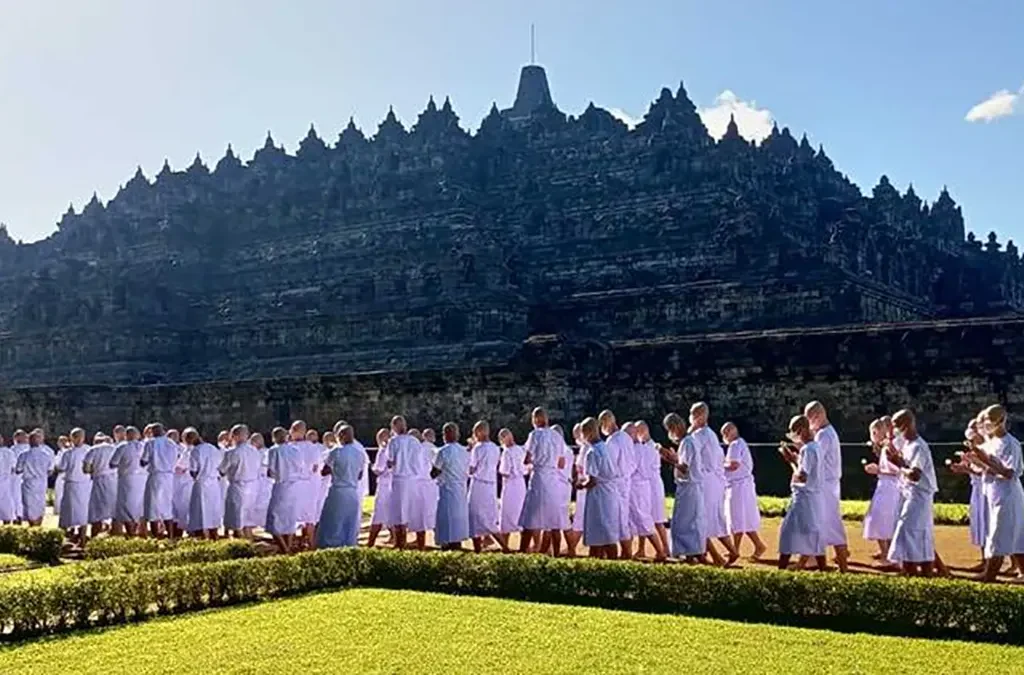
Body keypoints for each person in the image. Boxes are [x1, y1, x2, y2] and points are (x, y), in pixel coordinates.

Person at [967, 404, 1024, 582]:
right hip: (993, 493)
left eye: (990, 421)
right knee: (1014, 535)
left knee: (999, 534)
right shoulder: (991, 443)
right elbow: (988, 469)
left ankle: (989, 575)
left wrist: (986, 460)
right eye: (985, 421)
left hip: (1008, 495)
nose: (987, 425)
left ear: (1002, 421)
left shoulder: (1011, 444)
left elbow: (1009, 473)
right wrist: (975, 460)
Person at [885, 409, 939, 577]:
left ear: (906, 425)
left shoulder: (918, 447)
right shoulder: (906, 444)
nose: (894, 430)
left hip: (919, 495)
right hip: (908, 493)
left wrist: (898, 463)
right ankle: (924, 574)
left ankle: (910, 572)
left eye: (896, 426)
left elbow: (915, 475)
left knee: (907, 531)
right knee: (921, 534)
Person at [689, 403, 739, 566]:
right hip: (715, 482)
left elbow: (689, 452)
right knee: (714, 519)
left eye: (694, 414)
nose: (691, 417)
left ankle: (716, 557)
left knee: (700, 520)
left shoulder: (701, 435)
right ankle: (730, 551)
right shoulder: (709, 434)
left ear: (702, 416)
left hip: (707, 482)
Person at [777, 415, 827, 571]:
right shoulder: (816, 447)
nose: (794, 436)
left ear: (803, 430)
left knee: (787, 533)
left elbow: (803, 476)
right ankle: (823, 569)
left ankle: (781, 571)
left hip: (803, 498)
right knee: (813, 533)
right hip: (813, 498)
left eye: (795, 431)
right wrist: (795, 459)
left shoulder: (807, 449)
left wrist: (791, 461)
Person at [803, 401, 849, 572]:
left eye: (810, 418)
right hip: (825, 484)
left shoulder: (824, 435)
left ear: (819, 415)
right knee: (817, 523)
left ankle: (842, 566)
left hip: (826, 485)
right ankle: (813, 561)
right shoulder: (825, 433)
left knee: (831, 523)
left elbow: (815, 459)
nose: (809, 423)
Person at [518, 407, 569, 554]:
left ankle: (522, 552)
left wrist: (534, 461)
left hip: (539, 478)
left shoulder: (534, 435)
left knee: (530, 518)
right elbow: (561, 464)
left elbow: (527, 459)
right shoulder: (557, 436)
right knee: (554, 520)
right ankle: (557, 554)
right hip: (553, 480)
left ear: (535, 419)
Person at [659, 412, 706, 563]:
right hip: (691, 487)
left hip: (688, 487)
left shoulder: (687, 442)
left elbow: (684, 468)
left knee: (683, 523)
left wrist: (670, 459)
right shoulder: (689, 441)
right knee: (690, 522)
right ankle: (692, 554)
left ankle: (691, 555)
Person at [577, 416, 622, 559]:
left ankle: (597, 565)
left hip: (599, 496)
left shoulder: (592, 452)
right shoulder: (606, 447)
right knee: (608, 533)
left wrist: (580, 485)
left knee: (598, 534)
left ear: (588, 433)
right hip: (610, 493)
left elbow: (592, 480)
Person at [317, 424, 368, 549]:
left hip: (338, 491)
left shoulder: (336, 451)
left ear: (341, 436)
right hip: (352, 492)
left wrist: (336, 471)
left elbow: (324, 471)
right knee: (350, 524)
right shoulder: (360, 454)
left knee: (333, 523)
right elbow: (359, 475)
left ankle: (330, 548)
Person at [722, 422, 767, 560]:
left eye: (724, 433)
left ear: (730, 431)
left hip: (738, 486)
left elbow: (733, 465)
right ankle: (757, 545)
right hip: (741, 486)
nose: (724, 436)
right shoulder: (740, 443)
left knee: (737, 518)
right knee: (743, 518)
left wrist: (719, 465)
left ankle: (735, 550)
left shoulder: (735, 445)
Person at [862, 417, 902, 567]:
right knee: (883, 520)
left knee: (881, 520)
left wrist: (877, 470)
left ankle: (889, 556)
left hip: (889, 487)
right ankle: (887, 552)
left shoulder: (892, 445)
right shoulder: (886, 446)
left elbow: (898, 470)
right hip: (885, 485)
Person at [624, 422, 666, 560]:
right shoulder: (637, 448)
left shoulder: (639, 449)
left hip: (639, 487)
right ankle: (630, 552)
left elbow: (632, 469)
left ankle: (661, 550)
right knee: (631, 520)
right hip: (637, 487)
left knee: (645, 519)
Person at [597, 410, 635, 559]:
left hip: (615, 484)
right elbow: (632, 463)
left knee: (613, 521)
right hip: (626, 482)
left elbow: (609, 466)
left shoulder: (612, 441)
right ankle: (627, 553)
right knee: (623, 519)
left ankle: (623, 554)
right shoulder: (626, 437)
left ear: (606, 423)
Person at [386, 416, 427, 551]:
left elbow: (390, 461)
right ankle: (420, 545)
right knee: (415, 511)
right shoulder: (415, 441)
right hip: (414, 480)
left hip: (399, 480)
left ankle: (400, 544)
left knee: (399, 512)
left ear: (394, 427)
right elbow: (420, 462)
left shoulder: (394, 441)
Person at [432, 422, 470, 551]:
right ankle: (457, 544)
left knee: (447, 520)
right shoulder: (465, 452)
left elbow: (434, 472)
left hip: (447, 490)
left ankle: (447, 546)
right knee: (458, 520)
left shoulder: (442, 451)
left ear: (447, 435)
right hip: (461, 489)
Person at [220, 424, 262, 540]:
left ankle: (240, 542)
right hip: (253, 486)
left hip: (237, 486)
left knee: (236, 517)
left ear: (235, 436)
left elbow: (222, 470)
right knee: (247, 517)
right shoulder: (255, 451)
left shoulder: (232, 452)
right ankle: (249, 540)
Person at [635, 421, 670, 559]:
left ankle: (666, 547)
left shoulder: (652, 447)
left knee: (657, 519)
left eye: (638, 431)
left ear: (644, 430)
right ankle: (641, 548)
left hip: (653, 485)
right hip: (646, 484)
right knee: (644, 517)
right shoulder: (645, 447)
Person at [266, 426, 304, 553]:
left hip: (281, 486)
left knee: (274, 518)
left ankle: (285, 549)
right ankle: (287, 547)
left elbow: (270, 471)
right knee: (289, 518)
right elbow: (300, 468)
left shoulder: (273, 450)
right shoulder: (295, 450)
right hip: (295, 487)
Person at [141, 423, 180, 538]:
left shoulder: (150, 443)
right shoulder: (171, 443)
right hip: (169, 477)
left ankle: (155, 536)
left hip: (156, 476)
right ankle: (171, 536)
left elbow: (144, 460)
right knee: (167, 505)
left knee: (153, 506)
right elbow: (176, 457)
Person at [467, 421, 500, 553]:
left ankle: (478, 550)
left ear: (480, 432)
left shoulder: (478, 448)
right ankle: (502, 545)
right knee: (488, 516)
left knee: (474, 516)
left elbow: (471, 469)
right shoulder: (495, 447)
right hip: (491, 484)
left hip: (479, 484)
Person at [186, 428, 224, 540]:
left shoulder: (195, 451)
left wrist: (195, 476)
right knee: (213, 511)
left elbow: (193, 470)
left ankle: (201, 538)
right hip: (214, 483)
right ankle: (214, 537)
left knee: (199, 512)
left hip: (202, 483)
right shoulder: (213, 448)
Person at [110, 426, 146, 537]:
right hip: (142, 479)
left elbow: (113, 463)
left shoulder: (122, 446)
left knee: (125, 506)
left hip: (127, 479)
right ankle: (141, 531)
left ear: (126, 435)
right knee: (139, 505)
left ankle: (131, 532)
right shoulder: (144, 446)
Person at [290, 421, 321, 549]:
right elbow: (315, 467)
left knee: (292, 515)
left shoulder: (290, 448)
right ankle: (311, 543)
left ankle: (291, 543)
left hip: (296, 484)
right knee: (309, 516)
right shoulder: (313, 448)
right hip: (309, 485)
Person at [57, 429, 91, 544]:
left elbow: (61, 467)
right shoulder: (86, 451)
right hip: (77, 484)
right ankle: (76, 537)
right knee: (73, 510)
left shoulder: (69, 453)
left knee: (77, 510)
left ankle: (81, 537)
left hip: (78, 484)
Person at [496, 428, 526, 553]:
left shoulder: (507, 452)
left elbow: (505, 471)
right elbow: (526, 468)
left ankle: (505, 546)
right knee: (521, 514)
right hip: (521, 484)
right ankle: (526, 546)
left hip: (510, 485)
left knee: (506, 515)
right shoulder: (521, 449)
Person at [15, 429, 52, 527]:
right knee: (40, 506)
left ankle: (33, 527)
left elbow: (18, 470)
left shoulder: (23, 455)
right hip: (42, 483)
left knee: (30, 506)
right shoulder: (46, 455)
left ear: (29, 441)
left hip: (29, 484)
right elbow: (50, 470)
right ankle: (38, 526)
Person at [84, 433, 118, 538]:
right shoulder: (114, 448)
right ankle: (116, 534)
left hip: (98, 480)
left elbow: (86, 469)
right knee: (114, 509)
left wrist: (93, 470)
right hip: (113, 480)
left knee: (96, 510)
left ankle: (94, 535)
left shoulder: (93, 450)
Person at [367, 427, 393, 547]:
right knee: (391, 511)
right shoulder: (394, 449)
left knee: (378, 512)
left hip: (383, 484)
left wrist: (372, 467)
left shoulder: (383, 451)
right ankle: (394, 537)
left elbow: (379, 469)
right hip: (393, 484)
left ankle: (370, 542)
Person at [565, 423, 588, 557]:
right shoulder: (583, 449)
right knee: (580, 518)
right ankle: (571, 547)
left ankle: (571, 548)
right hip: (582, 488)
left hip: (585, 487)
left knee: (580, 519)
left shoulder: (586, 449)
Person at [170, 429, 191, 539]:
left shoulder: (186, 450)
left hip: (183, 483)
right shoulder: (186, 450)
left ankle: (181, 532)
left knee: (181, 509)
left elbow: (179, 467)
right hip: (177, 483)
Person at [250, 432, 272, 528]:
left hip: (265, 481)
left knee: (264, 503)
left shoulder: (267, 452)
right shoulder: (253, 453)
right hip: (256, 482)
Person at [0, 440, 15, 523]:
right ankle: (7, 525)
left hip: (5, 482)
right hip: (6, 482)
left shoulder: (10, 452)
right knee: (6, 504)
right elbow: (13, 468)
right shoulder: (10, 453)